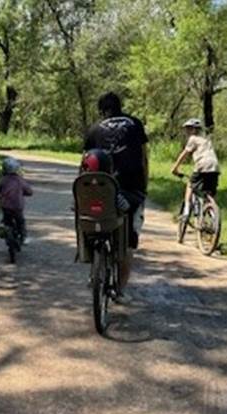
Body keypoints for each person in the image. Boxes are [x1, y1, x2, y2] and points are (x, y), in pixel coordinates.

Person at [83, 92, 149, 296]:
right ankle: (119, 289)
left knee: (94, 224)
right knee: (127, 242)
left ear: (101, 110)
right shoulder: (135, 124)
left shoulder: (94, 129)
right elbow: (144, 158)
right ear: (121, 106)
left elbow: (84, 163)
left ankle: (93, 262)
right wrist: (144, 187)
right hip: (131, 189)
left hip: (99, 190)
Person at [171, 118, 220, 220]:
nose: (187, 131)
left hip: (202, 165)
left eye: (189, 129)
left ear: (194, 130)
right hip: (215, 167)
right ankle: (213, 215)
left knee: (190, 184)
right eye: (186, 129)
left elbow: (184, 154)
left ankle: (186, 211)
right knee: (209, 192)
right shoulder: (206, 140)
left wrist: (175, 168)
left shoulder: (193, 139)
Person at [0, 157, 33, 243]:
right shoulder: (20, 180)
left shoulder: (3, 180)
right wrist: (26, 193)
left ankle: (3, 229)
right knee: (21, 222)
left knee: (6, 220)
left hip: (6, 206)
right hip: (17, 206)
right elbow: (29, 191)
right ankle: (23, 237)